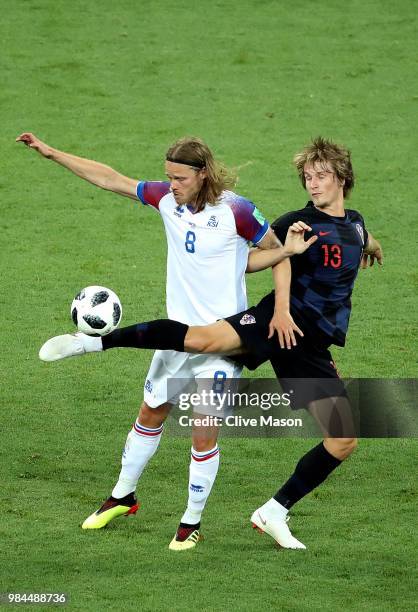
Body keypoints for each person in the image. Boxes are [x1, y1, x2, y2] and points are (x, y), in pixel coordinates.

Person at [39, 136, 383, 550]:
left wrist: (371, 245)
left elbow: (338, 239)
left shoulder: (335, 221)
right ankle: (96, 361)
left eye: (321, 176)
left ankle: (252, 514)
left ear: (342, 178)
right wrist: (281, 310)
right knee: (178, 372)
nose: (313, 183)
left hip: (303, 345)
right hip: (269, 326)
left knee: (340, 437)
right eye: (308, 177)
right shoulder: (291, 218)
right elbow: (275, 253)